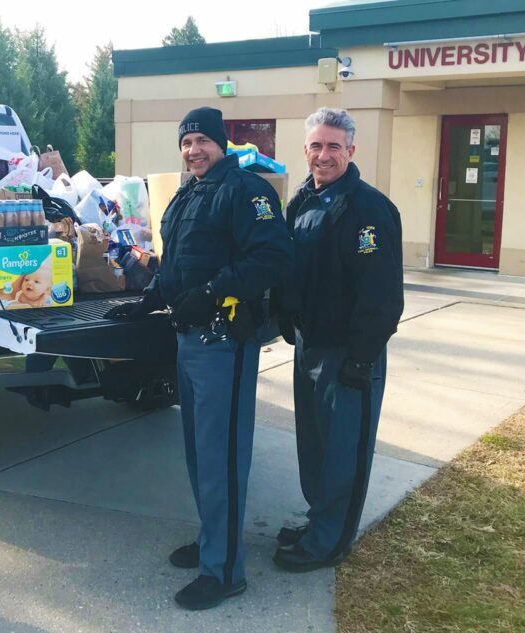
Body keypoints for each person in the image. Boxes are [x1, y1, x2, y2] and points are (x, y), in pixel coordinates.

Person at [106, 107, 291, 609]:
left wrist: (212, 292)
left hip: (224, 341)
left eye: (202, 141)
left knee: (222, 456)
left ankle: (226, 570)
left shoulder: (246, 190)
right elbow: (179, 261)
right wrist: (148, 298)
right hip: (190, 342)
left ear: (221, 142)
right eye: (186, 143)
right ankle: (215, 541)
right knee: (199, 452)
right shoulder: (190, 192)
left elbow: (272, 257)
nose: (193, 151)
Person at [271, 107, 403, 572]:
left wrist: (363, 358)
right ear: (305, 150)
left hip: (349, 353)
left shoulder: (368, 209)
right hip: (310, 345)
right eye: (315, 146)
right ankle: (318, 522)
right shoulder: (303, 202)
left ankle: (330, 542)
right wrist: (287, 317)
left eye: (332, 146)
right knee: (314, 446)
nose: (322, 155)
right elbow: (291, 268)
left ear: (350, 150)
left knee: (344, 450)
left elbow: (382, 294)